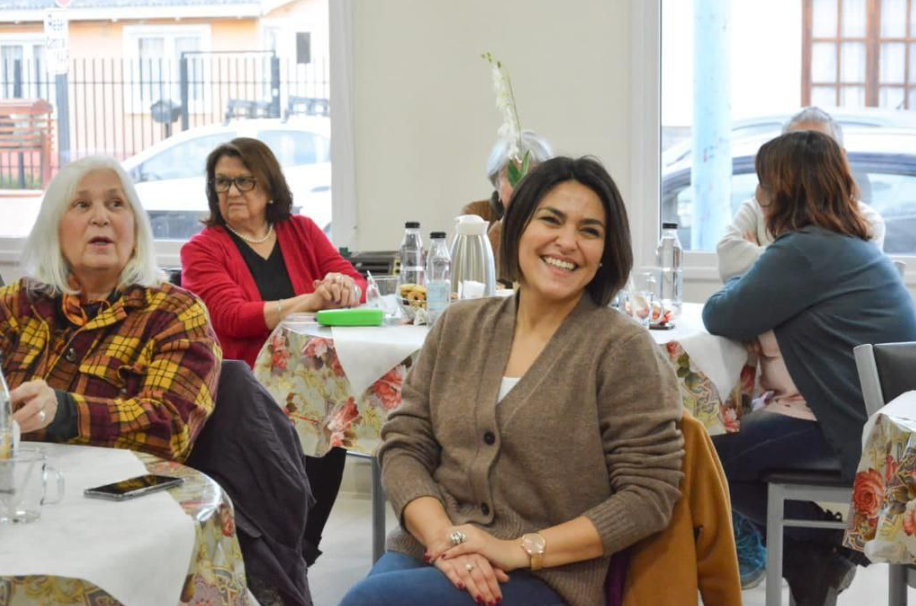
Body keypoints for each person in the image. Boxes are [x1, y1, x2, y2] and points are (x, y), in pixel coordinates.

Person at [340, 156, 685, 606]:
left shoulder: (621, 350)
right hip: (433, 549)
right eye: (551, 220)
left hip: (549, 575)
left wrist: (516, 549)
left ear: (605, 254)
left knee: (371, 603)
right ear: (518, 227)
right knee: (373, 597)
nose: (567, 242)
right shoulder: (458, 325)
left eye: (590, 231)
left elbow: (647, 495)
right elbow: (405, 445)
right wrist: (448, 540)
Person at [703, 130, 916, 606]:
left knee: (698, 455)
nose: (757, 199)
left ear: (783, 191)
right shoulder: (848, 245)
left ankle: (814, 546)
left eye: (763, 186)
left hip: (845, 423)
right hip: (881, 426)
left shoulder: (802, 252)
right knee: (726, 457)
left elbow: (721, 313)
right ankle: (818, 550)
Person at [180, 137, 367, 567]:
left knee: (331, 428)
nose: (231, 192)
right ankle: (280, 564)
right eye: (222, 183)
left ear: (268, 187)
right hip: (248, 396)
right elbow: (230, 315)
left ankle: (298, 559)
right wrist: (311, 300)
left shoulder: (300, 231)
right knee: (271, 507)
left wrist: (342, 288)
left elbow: (352, 280)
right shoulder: (202, 248)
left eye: (243, 182)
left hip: (313, 389)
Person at [0, 155, 221, 462]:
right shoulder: (17, 304)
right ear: (55, 228)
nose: (100, 217)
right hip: (18, 494)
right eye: (81, 205)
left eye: (116, 204)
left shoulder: (176, 314)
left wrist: (66, 412)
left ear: (135, 229)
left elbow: (171, 429)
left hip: (125, 501)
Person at [716, 106, 886, 282]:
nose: (805, 161)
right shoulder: (757, 208)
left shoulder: (865, 221)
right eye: (794, 151)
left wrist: (761, 255)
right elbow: (729, 263)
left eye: (818, 150)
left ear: (840, 157)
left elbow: (834, 279)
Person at [461, 130, 553, 260]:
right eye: (512, 175)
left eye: (531, 176)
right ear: (496, 182)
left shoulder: (555, 220)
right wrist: (509, 220)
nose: (521, 185)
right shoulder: (475, 215)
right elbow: (468, 269)